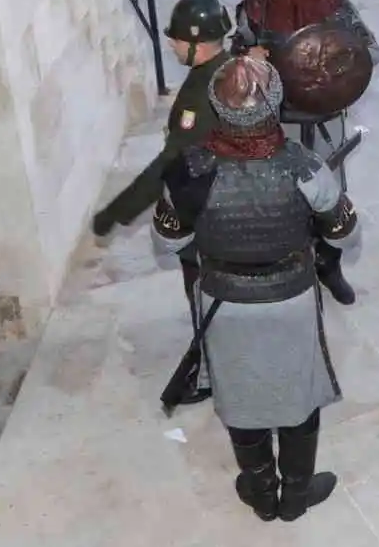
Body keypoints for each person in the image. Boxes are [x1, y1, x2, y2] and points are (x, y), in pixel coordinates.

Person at [150, 56, 357, 522]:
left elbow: (168, 241)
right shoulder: (304, 167)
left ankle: (261, 492)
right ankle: (295, 495)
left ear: (216, 107)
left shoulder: (189, 170)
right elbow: (346, 233)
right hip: (292, 301)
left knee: (240, 395)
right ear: (275, 103)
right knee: (298, 394)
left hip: (225, 303)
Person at [91, 0, 235, 403]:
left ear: (197, 42)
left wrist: (117, 212)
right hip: (234, 196)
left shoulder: (199, 94)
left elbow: (169, 165)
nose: (171, 46)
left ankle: (210, 376)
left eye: (176, 40)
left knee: (203, 290)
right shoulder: (232, 70)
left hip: (207, 207)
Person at [234, 0, 379, 305]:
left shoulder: (334, 3)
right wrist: (249, 55)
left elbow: (371, 49)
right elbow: (233, 67)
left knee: (327, 197)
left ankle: (329, 266)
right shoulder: (253, 7)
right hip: (276, 122)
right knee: (283, 199)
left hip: (323, 118)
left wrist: (345, 57)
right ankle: (288, 269)